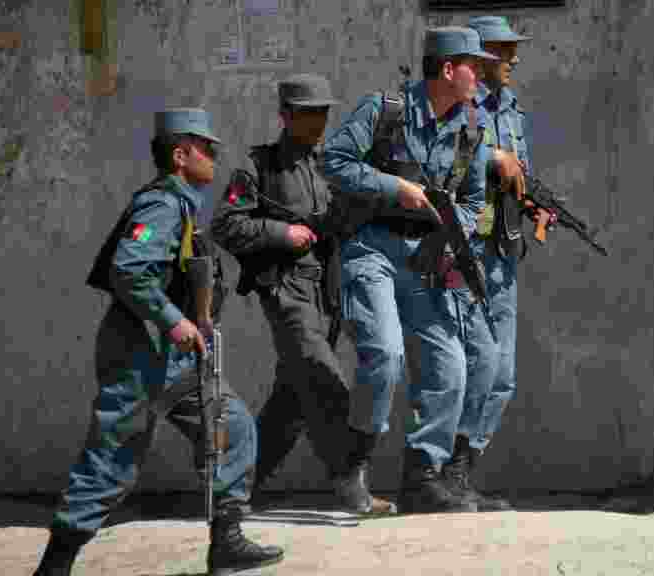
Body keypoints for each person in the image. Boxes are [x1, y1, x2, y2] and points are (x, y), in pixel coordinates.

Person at [32, 108, 284, 576]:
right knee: (113, 460)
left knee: (234, 427)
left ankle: (226, 541)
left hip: (176, 359)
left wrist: (198, 320)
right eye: (206, 149)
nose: (214, 155)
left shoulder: (185, 204)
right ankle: (55, 565)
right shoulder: (163, 205)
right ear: (180, 154)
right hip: (140, 352)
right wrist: (174, 320)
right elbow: (127, 269)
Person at [320, 26, 524, 514]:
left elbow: (475, 201)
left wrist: (454, 237)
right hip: (371, 248)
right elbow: (335, 161)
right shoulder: (383, 111)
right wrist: (395, 187)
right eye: (473, 65)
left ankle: (422, 478)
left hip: (427, 257)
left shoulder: (471, 131)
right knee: (386, 355)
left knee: (451, 365)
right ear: (448, 69)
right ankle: (354, 466)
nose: (481, 72)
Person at [210, 73, 396, 516]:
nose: (318, 121)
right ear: (285, 116)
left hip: (324, 289)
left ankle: (234, 489)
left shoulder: (332, 164)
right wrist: (282, 232)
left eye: (323, 113)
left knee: (291, 402)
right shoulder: (259, 167)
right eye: (308, 113)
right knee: (320, 374)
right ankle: (349, 482)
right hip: (284, 287)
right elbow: (225, 225)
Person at [454, 14, 534, 512]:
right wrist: (491, 159)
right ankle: (441, 473)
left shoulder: (513, 110)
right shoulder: (459, 110)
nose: (514, 59)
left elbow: (520, 174)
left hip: (503, 249)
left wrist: (534, 204)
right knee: (475, 365)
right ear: (480, 57)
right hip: (467, 249)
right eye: (504, 51)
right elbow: (443, 161)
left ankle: (464, 469)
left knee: (503, 374)